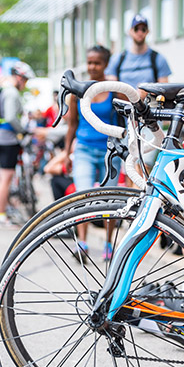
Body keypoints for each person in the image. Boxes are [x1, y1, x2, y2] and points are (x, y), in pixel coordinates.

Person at [64, 45, 121, 260]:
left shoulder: (114, 90)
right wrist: (67, 152)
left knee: (109, 200)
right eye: (89, 62)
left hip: (110, 152)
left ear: (105, 64)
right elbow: (72, 126)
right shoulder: (78, 92)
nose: (92, 66)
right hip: (84, 151)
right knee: (83, 197)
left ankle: (108, 244)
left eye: (97, 62)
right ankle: (83, 244)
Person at [0, 60, 34, 228]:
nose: (25, 84)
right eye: (25, 80)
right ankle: (0, 214)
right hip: (8, 139)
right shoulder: (12, 92)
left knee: (4, 176)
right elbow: (10, 116)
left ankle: (2, 210)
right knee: (6, 177)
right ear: (19, 78)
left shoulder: (4, 90)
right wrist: (22, 130)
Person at [105, 14, 171, 87]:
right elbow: (111, 88)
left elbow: (164, 90)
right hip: (123, 98)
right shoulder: (117, 59)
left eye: (143, 29)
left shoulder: (158, 59)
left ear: (147, 32)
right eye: (136, 29)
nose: (140, 33)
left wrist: (147, 92)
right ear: (130, 31)